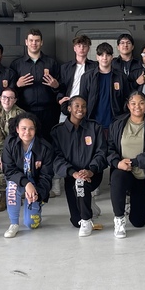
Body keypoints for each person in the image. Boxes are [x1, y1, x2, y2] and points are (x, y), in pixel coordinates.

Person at [107, 93, 145, 238]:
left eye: (141, 103)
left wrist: (134, 162)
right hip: (123, 171)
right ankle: (119, 218)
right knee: (117, 178)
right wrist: (117, 162)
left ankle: (131, 205)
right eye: (133, 103)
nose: (137, 107)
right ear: (128, 105)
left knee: (138, 222)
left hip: (144, 177)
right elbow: (109, 148)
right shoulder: (117, 124)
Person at [51, 96, 107, 236]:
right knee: (76, 221)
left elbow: (102, 152)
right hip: (71, 177)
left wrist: (90, 170)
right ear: (69, 108)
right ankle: (88, 204)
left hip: (93, 174)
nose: (80, 109)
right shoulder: (58, 131)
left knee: (82, 186)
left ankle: (87, 220)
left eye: (83, 106)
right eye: (76, 106)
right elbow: (56, 158)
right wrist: (73, 173)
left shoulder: (95, 127)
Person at [1, 112, 55, 238]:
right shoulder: (10, 143)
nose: (27, 132)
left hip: (37, 185)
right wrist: (26, 184)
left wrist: (38, 194)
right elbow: (9, 170)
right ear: (17, 129)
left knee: (32, 224)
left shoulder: (45, 148)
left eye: (31, 128)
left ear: (35, 130)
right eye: (23, 128)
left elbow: (47, 176)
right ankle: (13, 223)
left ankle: (38, 205)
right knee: (12, 188)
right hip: (19, 180)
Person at [10, 29, 61, 142]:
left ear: (41, 42)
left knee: (49, 142)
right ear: (26, 42)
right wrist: (17, 85)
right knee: (27, 142)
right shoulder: (16, 64)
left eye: (37, 41)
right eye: (31, 40)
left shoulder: (51, 63)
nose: (34, 43)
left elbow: (61, 89)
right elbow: (10, 91)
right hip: (25, 111)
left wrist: (56, 85)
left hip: (49, 112)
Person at [0, 87, 25, 212]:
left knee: (17, 166)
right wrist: (1, 156)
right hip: (1, 148)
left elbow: (19, 138)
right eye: (4, 97)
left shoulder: (20, 114)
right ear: (0, 98)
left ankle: (17, 192)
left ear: (15, 100)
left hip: (18, 149)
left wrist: (10, 155)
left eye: (10, 98)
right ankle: (3, 195)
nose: (7, 100)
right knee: (0, 167)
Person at [81, 42, 119, 130]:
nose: (104, 58)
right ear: (97, 57)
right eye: (101, 55)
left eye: (108, 55)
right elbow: (82, 100)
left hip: (115, 124)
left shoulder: (120, 77)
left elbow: (125, 100)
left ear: (112, 57)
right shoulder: (87, 77)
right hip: (93, 124)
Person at [57, 34, 97, 118]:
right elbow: (61, 85)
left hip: (87, 106)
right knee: (64, 129)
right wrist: (60, 99)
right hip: (69, 105)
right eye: (79, 46)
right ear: (74, 48)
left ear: (88, 49)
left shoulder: (94, 66)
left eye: (84, 46)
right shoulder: (65, 67)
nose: (82, 48)